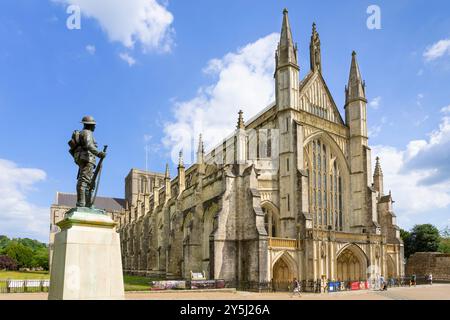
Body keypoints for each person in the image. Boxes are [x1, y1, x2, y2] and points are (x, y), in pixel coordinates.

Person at [72, 116, 106, 207]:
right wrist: (99, 153)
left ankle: (87, 203)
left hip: (83, 158)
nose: (95, 127)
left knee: (88, 182)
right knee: (84, 181)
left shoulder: (83, 132)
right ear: (90, 125)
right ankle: (82, 203)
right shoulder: (87, 132)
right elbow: (88, 145)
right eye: (94, 125)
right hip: (87, 159)